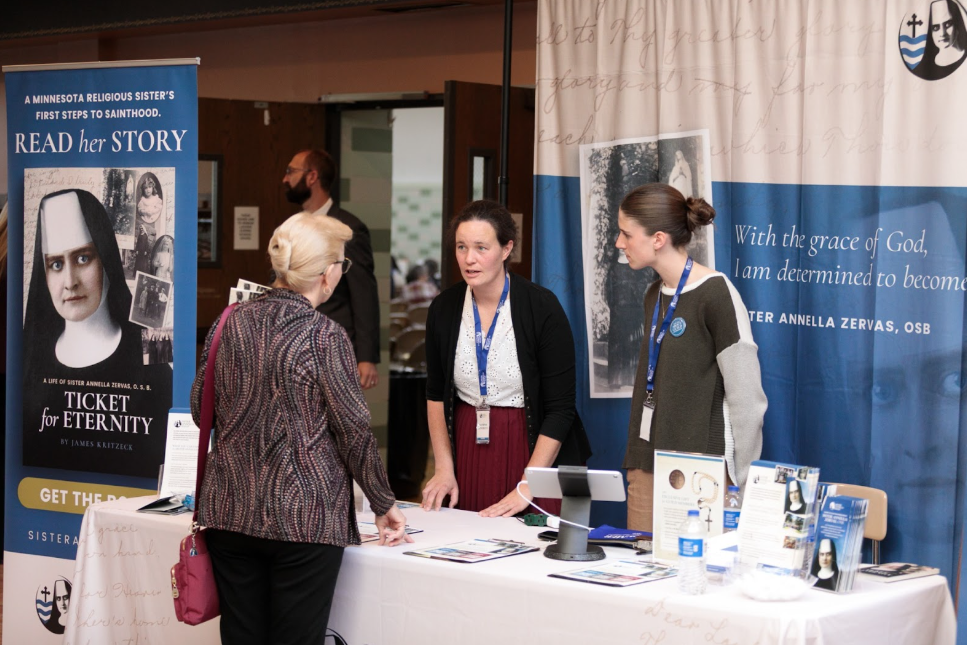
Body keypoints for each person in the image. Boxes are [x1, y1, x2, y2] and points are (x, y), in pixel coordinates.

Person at [193, 212, 412, 644]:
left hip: (230, 513)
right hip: (305, 520)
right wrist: (384, 501)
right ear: (328, 274)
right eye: (343, 265)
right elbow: (354, 432)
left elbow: (202, 412)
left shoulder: (227, 322)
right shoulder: (324, 336)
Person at [421, 200, 592, 516]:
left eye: (481, 247)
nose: (469, 259)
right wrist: (444, 468)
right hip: (469, 445)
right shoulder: (443, 309)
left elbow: (560, 409)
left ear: (506, 248)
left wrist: (529, 484)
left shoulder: (542, 307)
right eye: (461, 247)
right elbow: (435, 396)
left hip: (534, 451)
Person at [618, 183, 766, 532]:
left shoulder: (716, 293)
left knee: (698, 578)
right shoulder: (654, 294)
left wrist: (741, 484)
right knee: (642, 573)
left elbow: (748, 400)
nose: (619, 243)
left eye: (626, 234)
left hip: (701, 467)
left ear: (657, 238)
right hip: (645, 464)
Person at [22, 189, 171, 477]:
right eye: (55, 264)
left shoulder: (154, 344)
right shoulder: (27, 362)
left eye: (82, 259)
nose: (69, 283)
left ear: (105, 256)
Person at [282, 149, 380, 390]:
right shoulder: (290, 226)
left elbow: (363, 293)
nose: (285, 179)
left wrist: (366, 357)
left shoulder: (348, 227)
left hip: (334, 346)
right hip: (292, 342)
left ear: (312, 176)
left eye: (291, 171)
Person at [914, 0, 967, 80]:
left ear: (957, 24)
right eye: (936, 28)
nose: (942, 33)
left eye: (948, 24)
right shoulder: (922, 68)